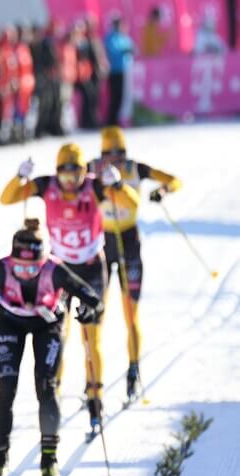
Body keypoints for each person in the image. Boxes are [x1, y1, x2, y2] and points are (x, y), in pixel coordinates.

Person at [0, 220, 103, 476]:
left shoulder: (55, 270)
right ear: (12, 258)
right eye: (21, 266)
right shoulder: (2, 268)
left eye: (34, 267)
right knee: (6, 385)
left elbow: (92, 297)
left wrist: (89, 309)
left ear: (43, 260)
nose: (27, 272)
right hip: (10, 321)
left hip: (48, 323)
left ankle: (48, 458)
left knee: (46, 386)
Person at [0, 142, 139, 435]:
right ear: (57, 172)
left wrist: (119, 185)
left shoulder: (96, 187)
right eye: (64, 172)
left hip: (91, 269)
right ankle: (55, 392)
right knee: (57, 333)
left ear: (83, 171)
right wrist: (19, 177)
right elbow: (7, 199)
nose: (70, 179)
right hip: (59, 271)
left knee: (91, 335)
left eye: (76, 172)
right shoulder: (46, 186)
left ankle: (95, 398)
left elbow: (132, 205)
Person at [88, 126, 182, 401]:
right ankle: (93, 384)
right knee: (97, 315)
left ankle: (133, 369)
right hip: (102, 243)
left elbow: (174, 180)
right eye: (109, 154)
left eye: (120, 154)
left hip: (128, 242)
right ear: (101, 153)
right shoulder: (91, 168)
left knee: (131, 314)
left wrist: (163, 191)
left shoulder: (135, 168)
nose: (114, 159)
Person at [104, 16, 134, 126]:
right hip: (114, 70)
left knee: (122, 96)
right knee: (115, 96)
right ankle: (111, 120)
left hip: (125, 70)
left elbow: (132, 48)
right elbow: (112, 52)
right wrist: (124, 51)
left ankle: (118, 119)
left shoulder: (124, 37)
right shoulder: (110, 37)